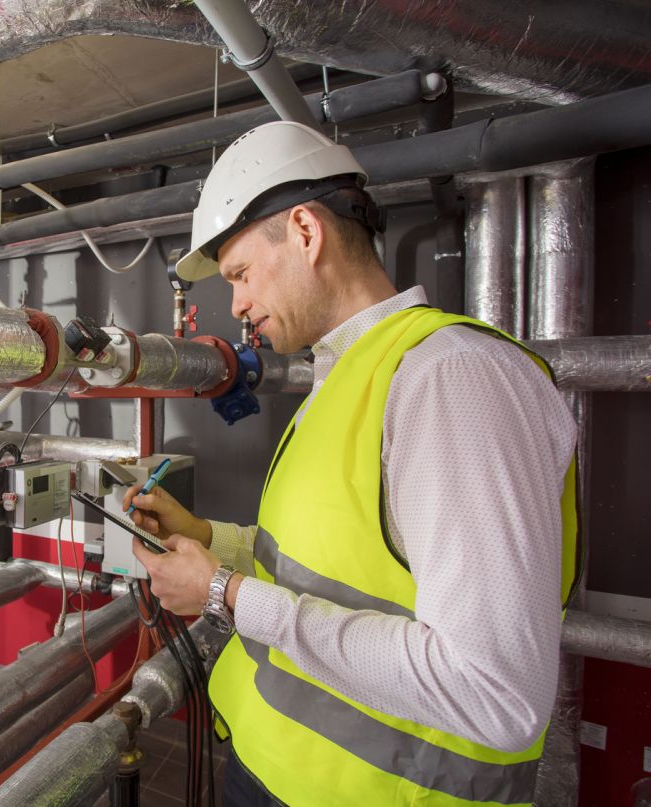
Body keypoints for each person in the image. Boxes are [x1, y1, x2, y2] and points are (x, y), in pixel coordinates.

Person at [125, 121, 579, 807]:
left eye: (242, 274)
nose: (238, 305)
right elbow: (329, 569)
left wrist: (224, 594)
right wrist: (213, 541)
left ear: (306, 232)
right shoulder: (345, 379)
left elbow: (496, 692)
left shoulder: (451, 379)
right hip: (276, 772)